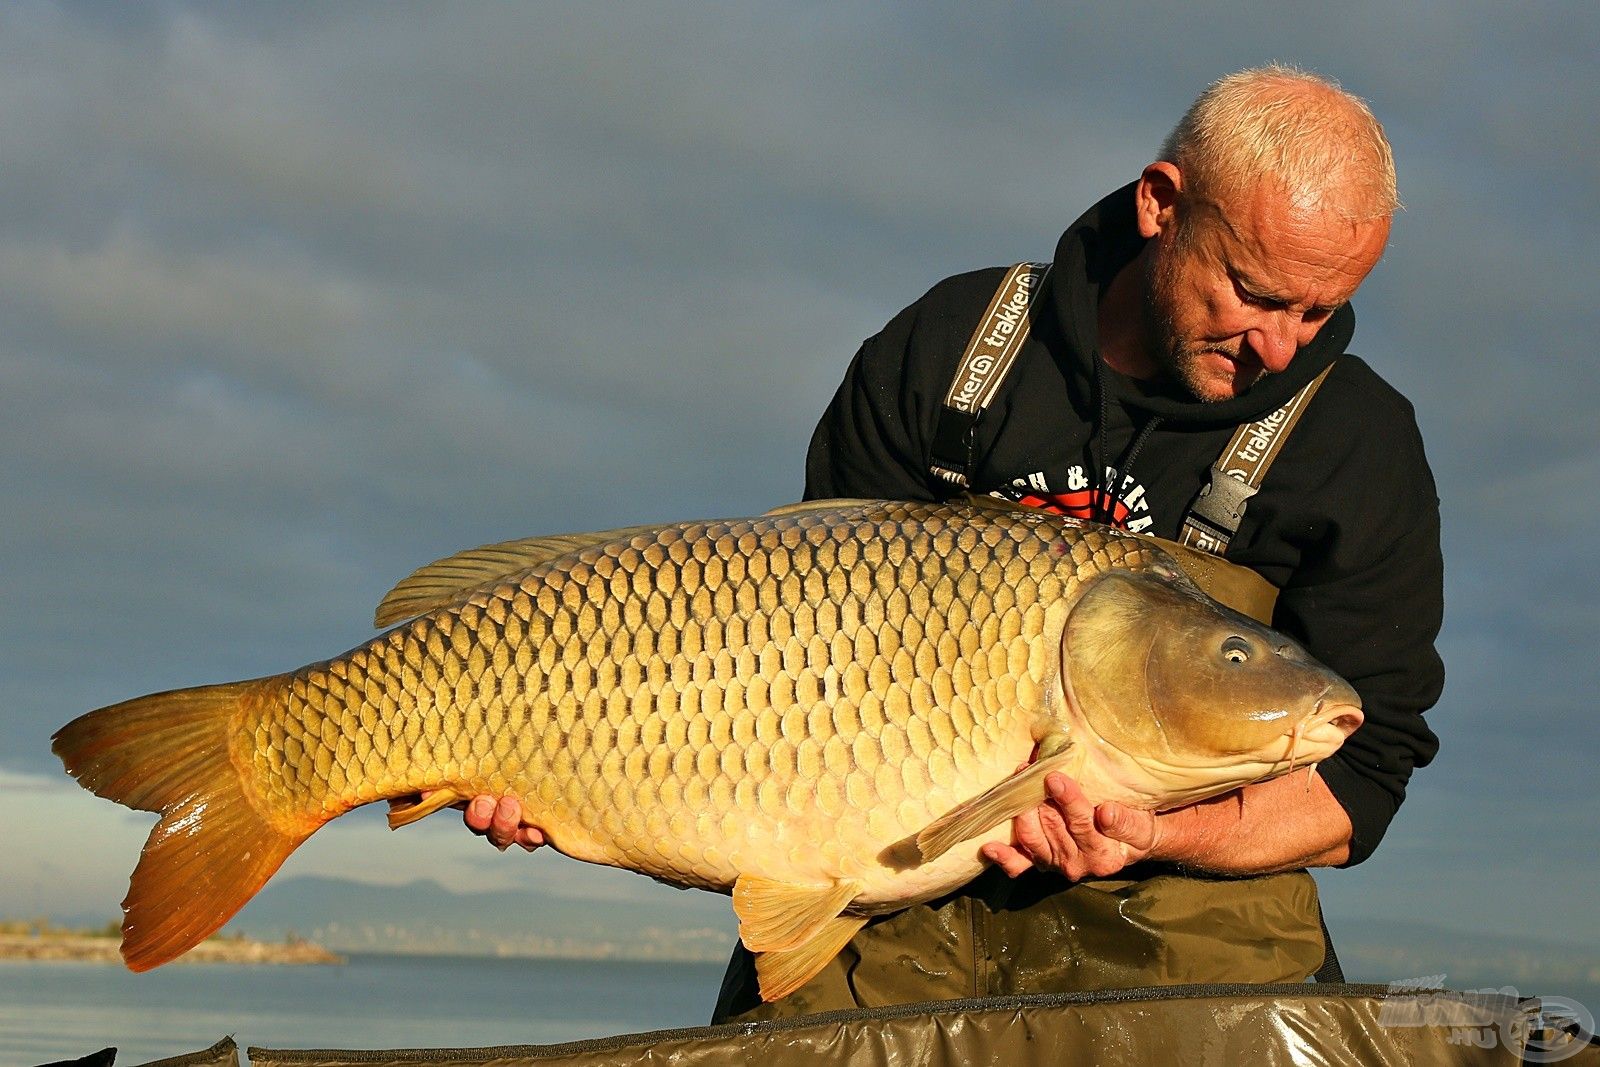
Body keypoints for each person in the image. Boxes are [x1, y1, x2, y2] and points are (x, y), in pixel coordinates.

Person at [457, 65, 1444, 1022]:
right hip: (889, 888)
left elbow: (1364, 768)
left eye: (1318, 310)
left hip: (1182, 907)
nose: (1280, 343)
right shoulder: (952, 346)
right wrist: (567, 767)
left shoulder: (1357, 443)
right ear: (1160, 205)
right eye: (1253, 292)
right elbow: (787, 666)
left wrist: (1158, 830)